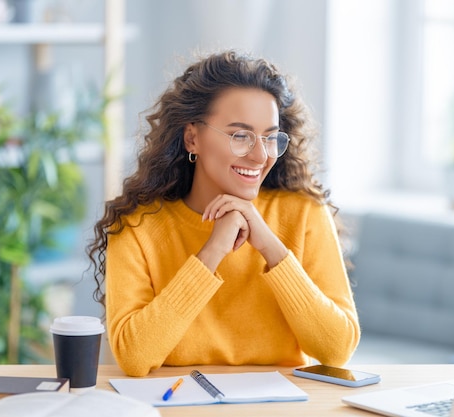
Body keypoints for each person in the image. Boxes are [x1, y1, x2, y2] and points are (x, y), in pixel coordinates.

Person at [87, 50, 360, 377]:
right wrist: (213, 250)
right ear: (192, 138)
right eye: (240, 136)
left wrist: (269, 246)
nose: (260, 155)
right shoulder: (137, 226)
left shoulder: (304, 214)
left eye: (271, 138)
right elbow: (134, 356)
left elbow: (336, 350)